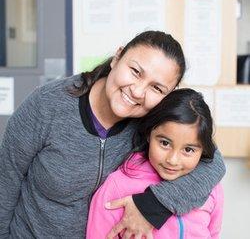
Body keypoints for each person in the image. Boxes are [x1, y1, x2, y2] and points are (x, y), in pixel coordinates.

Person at [0, 31, 225, 238]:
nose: (137, 91)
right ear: (117, 57)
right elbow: (5, 183)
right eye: (135, 72)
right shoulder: (47, 105)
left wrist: (152, 206)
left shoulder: (152, 120)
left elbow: (213, 164)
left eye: (156, 88)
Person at [87, 88, 224, 239]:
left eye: (188, 149)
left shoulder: (210, 189)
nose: (172, 160)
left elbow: (213, 234)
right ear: (148, 134)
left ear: (203, 150)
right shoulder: (117, 186)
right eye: (165, 143)